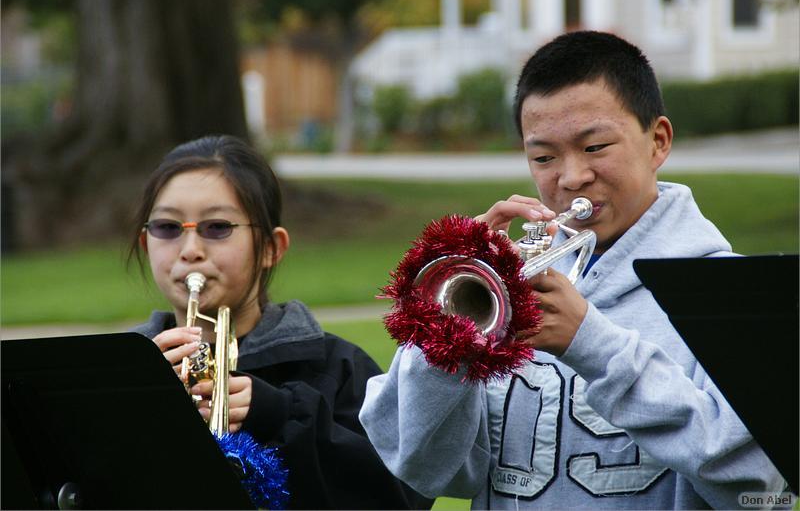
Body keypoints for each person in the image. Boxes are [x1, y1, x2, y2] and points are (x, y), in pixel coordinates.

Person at [358, 31, 786, 509]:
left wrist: (590, 343)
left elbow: (756, 485)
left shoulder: (730, 293)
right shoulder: (511, 284)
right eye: (543, 157)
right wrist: (446, 330)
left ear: (658, 141)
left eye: (596, 146)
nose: (570, 177)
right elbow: (422, 465)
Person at [127, 135, 432, 510]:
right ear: (146, 244)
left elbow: (405, 494)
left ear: (272, 248)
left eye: (218, 227)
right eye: (168, 228)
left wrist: (283, 414)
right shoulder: (114, 372)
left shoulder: (336, 368)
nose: (190, 250)